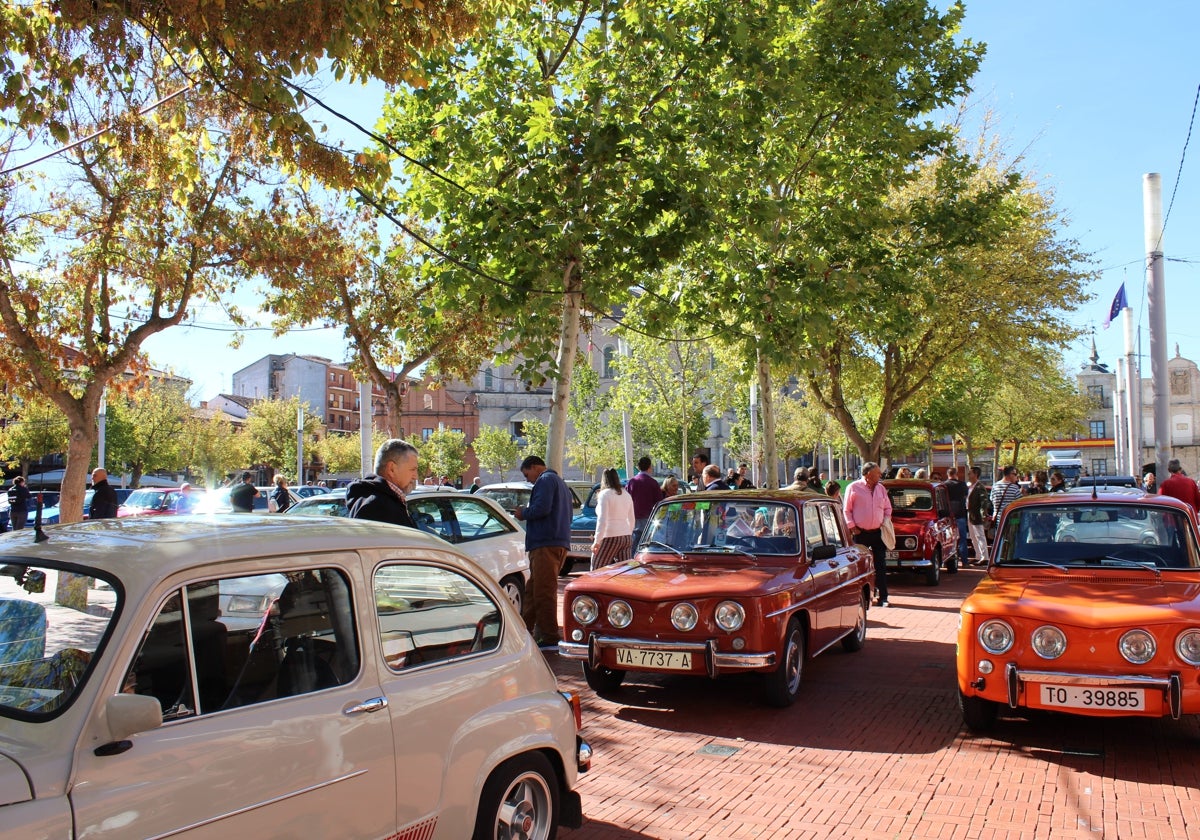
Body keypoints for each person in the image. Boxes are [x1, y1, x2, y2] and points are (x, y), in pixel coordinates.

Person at [513, 455, 572, 648]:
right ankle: (524, 631)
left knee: (543, 592)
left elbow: (541, 508)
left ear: (535, 467)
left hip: (545, 544)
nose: (526, 479)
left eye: (526, 473)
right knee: (533, 590)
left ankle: (549, 637)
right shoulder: (560, 483)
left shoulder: (546, 480)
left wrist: (523, 513)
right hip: (556, 542)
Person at [843, 462, 892, 607]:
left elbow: (888, 508)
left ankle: (883, 597)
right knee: (859, 567)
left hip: (877, 533)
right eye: (878, 473)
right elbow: (846, 510)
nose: (880, 475)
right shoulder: (853, 487)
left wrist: (885, 521)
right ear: (869, 474)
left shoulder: (881, 488)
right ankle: (860, 598)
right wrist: (852, 527)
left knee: (881, 565)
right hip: (861, 534)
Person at [346, 440, 419, 527]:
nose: (416, 476)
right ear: (392, 469)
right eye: (412, 469)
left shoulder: (382, 501)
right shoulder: (375, 506)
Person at [591, 468, 635, 570]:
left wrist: (597, 541)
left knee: (597, 570)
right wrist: (628, 533)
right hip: (626, 537)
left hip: (610, 536)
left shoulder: (604, 494)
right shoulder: (626, 494)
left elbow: (602, 519)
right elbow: (632, 519)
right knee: (625, 572)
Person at [625, 456, 664, 545]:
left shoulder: (631, 482)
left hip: (633, 519)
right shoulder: (653, 482)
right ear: (650, 467)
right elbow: (659, 502)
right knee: (647, 545)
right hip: (649, 519)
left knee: (634, 546)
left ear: (638, 467)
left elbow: (627, 500)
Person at [944, 466, 969, 565]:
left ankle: (948, 560)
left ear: (948, 474)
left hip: (947, 515)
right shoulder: (962, 484)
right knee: (962, 538)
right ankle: (964, 561)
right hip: (960, 513)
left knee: (948, 539)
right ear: (956, 474)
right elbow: (966, 496)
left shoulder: (944, 485)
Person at [966, 466, 990, 565]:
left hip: (976, 514)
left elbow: (984, 500)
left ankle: (985, 557)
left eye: (970, 473)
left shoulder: (980, 487)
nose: (968, 475)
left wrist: (982, 512)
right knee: (973, 536)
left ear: (975, 474)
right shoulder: (970, 486)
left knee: (979, 535)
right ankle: (978, 555)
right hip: (970, 513)